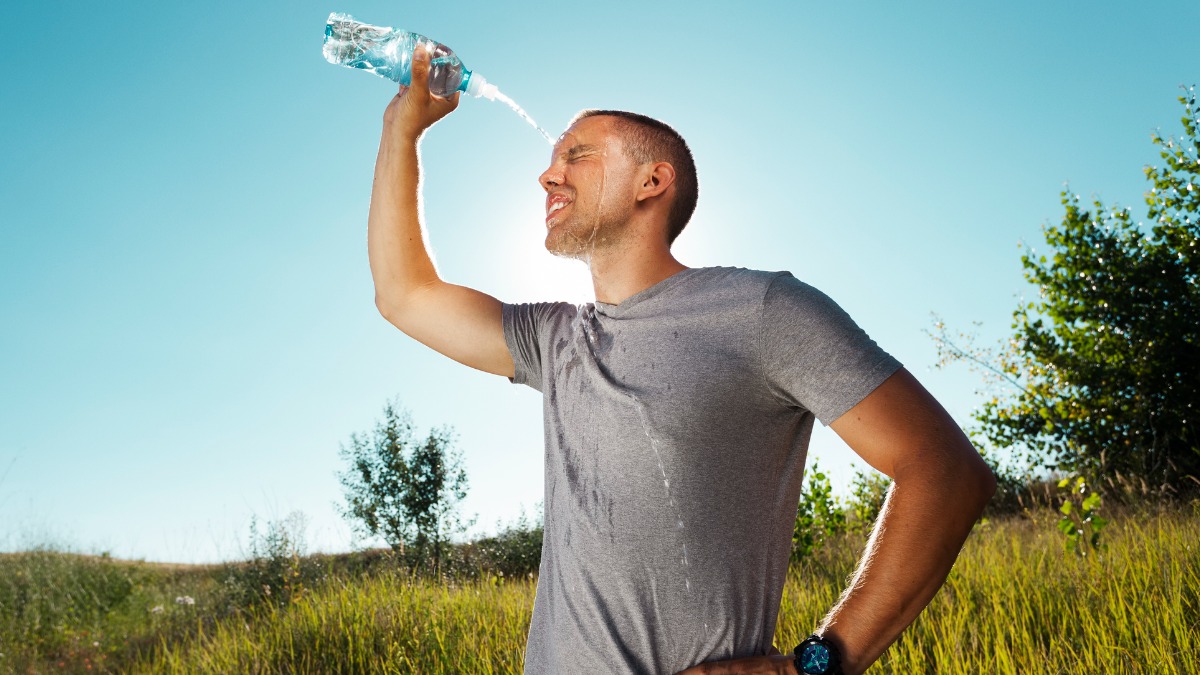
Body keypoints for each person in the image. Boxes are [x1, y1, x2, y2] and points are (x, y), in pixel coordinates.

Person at [367, 47, 996, 675]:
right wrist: (402, 129)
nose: (548, 176)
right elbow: (405, 296)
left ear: (652, 181)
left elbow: (945, 470)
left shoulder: (762, 311)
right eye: (553, 160)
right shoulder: (553, 340)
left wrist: (820, 664)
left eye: (577, 155)